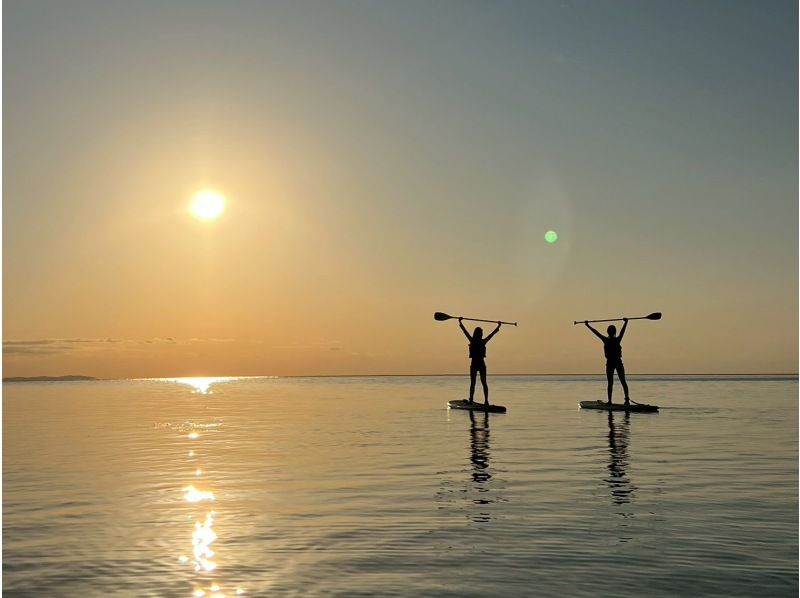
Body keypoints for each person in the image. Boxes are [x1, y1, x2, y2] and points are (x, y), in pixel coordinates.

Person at [584, 318, 630, 404]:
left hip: (614, 363)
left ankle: (612, 401)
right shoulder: (615, 340)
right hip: (614, 363)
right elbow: (622, 332)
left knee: (612, 382)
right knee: (621, 381)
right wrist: (626, 323)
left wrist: (587, 325)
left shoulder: (608, 340)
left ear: (608, 332)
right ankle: (625, 399)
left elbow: (595, 332)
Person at [458, 318, 502, 405]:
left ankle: (480, 400)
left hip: (478, 364)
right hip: (478, 364)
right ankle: (482, 400)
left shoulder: (475, 341)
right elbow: (491, 334)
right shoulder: (480, 342)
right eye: (481, 333)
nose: (482, 335)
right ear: (479, 334)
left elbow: (465, 332)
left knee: (478, 383)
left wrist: (460, 322)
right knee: (478, 383)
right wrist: (498, 327)